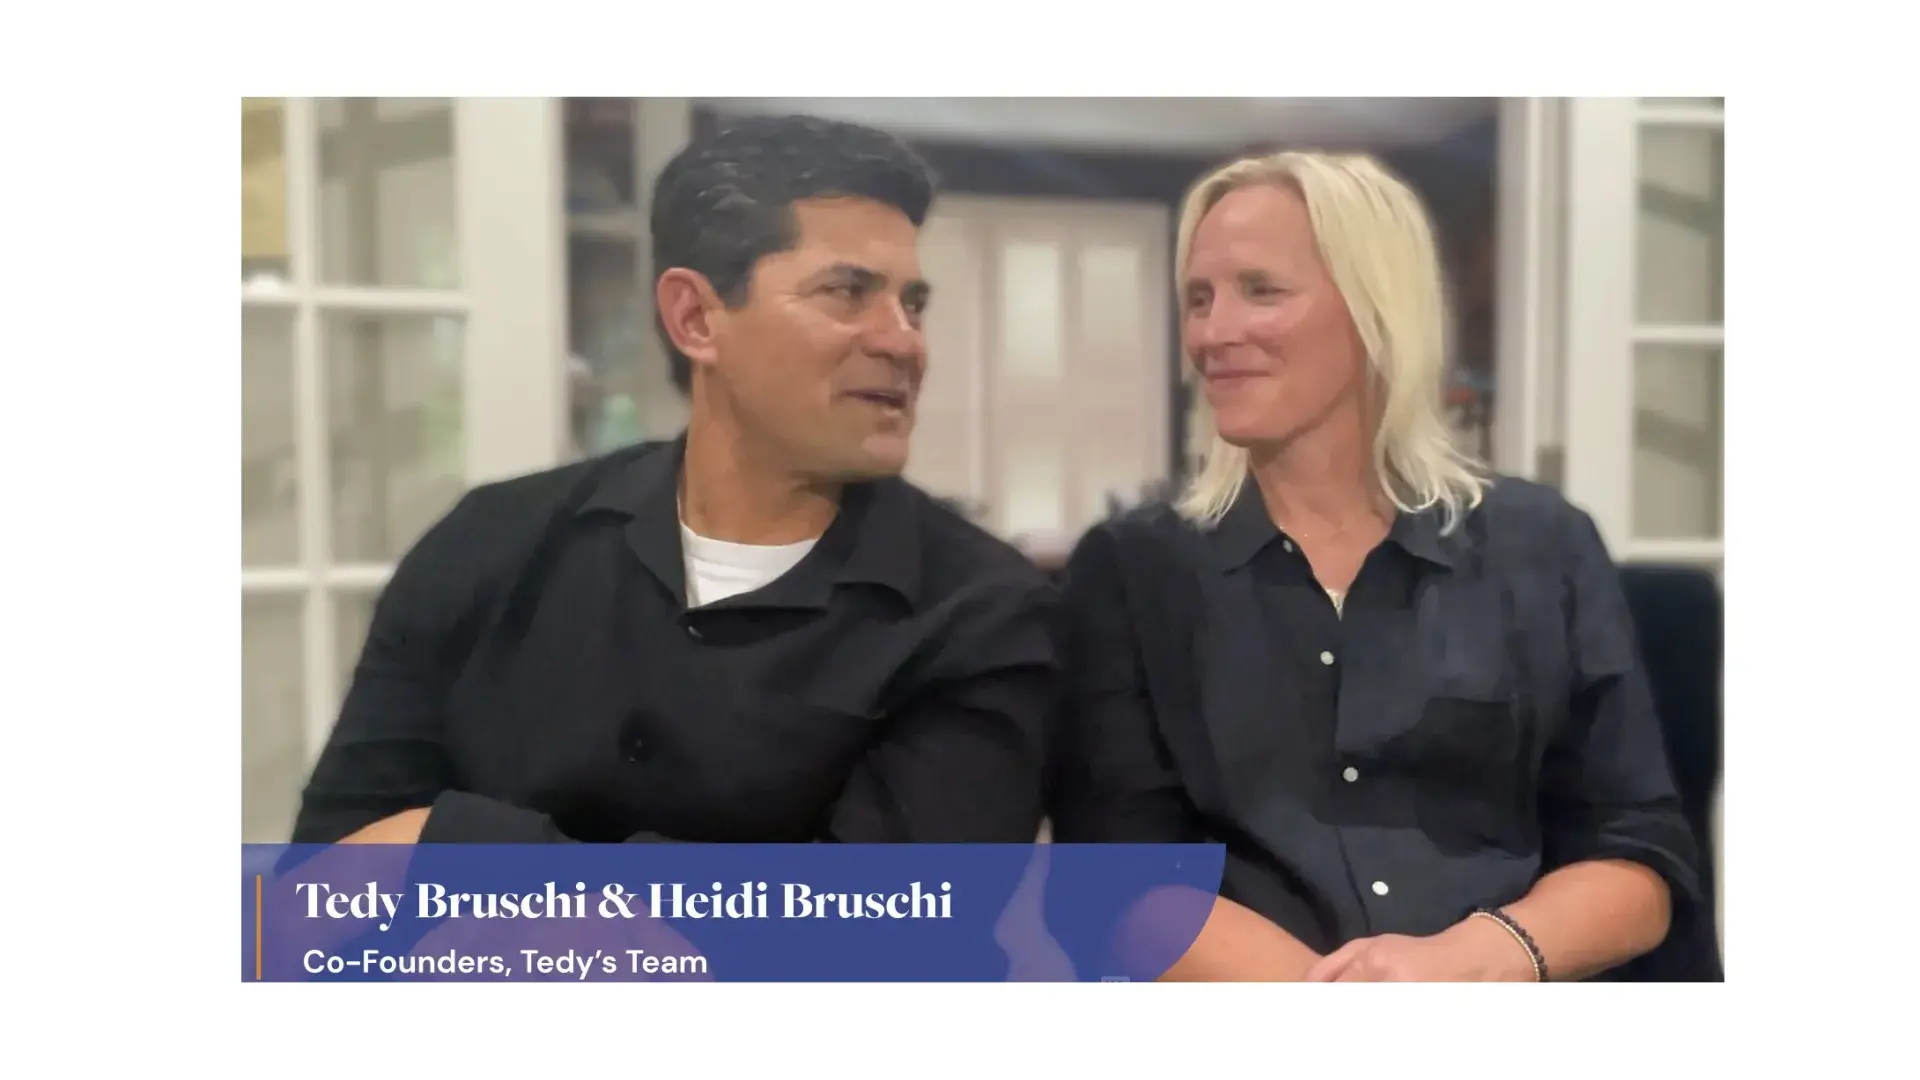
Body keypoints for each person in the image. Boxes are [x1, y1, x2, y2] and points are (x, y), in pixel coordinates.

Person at [292, 114, 1056, 848]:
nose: (903, 341)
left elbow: (877, 940)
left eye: (912, 303)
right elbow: (318, 899)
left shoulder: (983, 614)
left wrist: (458, 846)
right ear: (694, 318)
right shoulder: (489, 543)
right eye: (848, 293)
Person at [1048, 150, 1713, 981]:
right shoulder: (1129, 568)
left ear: (1375, 308)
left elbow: (1642, 859)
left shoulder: (1544, 545)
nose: (1214, 333)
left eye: (1262, 290)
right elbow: (1115, 881)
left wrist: (1471, 961)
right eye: (1199, 298)